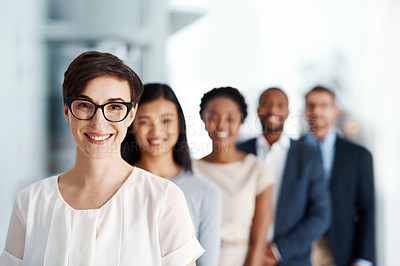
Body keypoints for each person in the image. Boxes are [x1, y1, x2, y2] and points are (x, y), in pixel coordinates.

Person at [0, 51, 204, 266]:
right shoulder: (30, 202)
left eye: (115, 107)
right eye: (85, 105)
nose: (99, 122)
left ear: (131, 114)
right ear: (67, 111)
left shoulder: (163, 199)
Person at [121, 83, 222, 266]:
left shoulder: (206, 192)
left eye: (166, 120)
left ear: (179, 123)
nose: (156, 131)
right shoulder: (117, 184)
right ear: (131, 125)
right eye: (144, 121)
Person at [237, 88, 330, 266]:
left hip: (292, 259)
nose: (273, 110)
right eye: (266, 104)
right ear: (257, 110)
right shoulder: (241, 151)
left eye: (280, 105)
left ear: (288, 112)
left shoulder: (308, 157)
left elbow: (321, 215)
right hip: (244, 256)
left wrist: (279, 250)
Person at [192, 87, 275, 266]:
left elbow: (259, 241)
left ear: (241, 121)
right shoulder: (190, 169)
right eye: (213, 117)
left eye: (230, 118)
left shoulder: (257, 170)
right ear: (204, 121)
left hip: (241, 259)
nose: (221, 125)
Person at [302, 86, 375, 266]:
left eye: (323, 105)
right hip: (300, 249)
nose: (316, 111)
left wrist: (364, 258)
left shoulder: (358, 156)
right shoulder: (291, 151)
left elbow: (367, 209)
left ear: (335, 110)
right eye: (311, 105)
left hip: (341, 250)